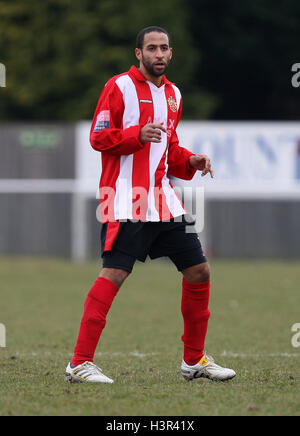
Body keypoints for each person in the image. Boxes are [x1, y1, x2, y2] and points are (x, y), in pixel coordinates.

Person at [65, 26, 236, 383]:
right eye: (152, 48)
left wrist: (190, 161)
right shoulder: (118, 87)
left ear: (171, 54)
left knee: (199, 271)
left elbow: (169, 148)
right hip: (126, 197)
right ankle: (79, 362)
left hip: (163, 199)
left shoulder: (174, 94)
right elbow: (98, 137)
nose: (159, 54)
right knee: (114, 274)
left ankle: (194, 360)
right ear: (138, 54)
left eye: (164, 48)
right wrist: (134, 135)